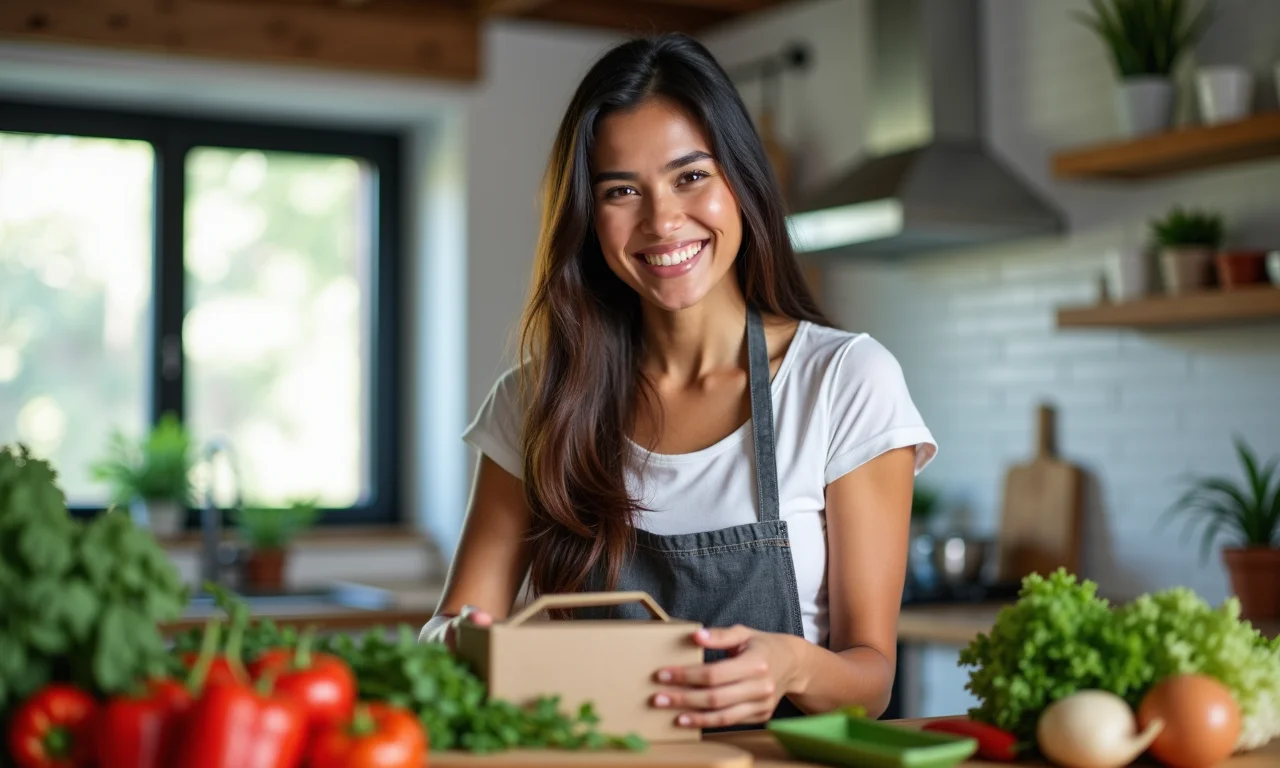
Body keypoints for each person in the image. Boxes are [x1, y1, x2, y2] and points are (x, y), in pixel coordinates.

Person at [419, 32, 937, 730]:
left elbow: (870, 677)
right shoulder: (535, 402)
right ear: (588, 217)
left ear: (740, 181)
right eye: (622, 190)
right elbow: (451, 627)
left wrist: (793, 665)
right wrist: (472, 642)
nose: (662, 222)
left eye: (690, 176)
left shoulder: (844, 381)